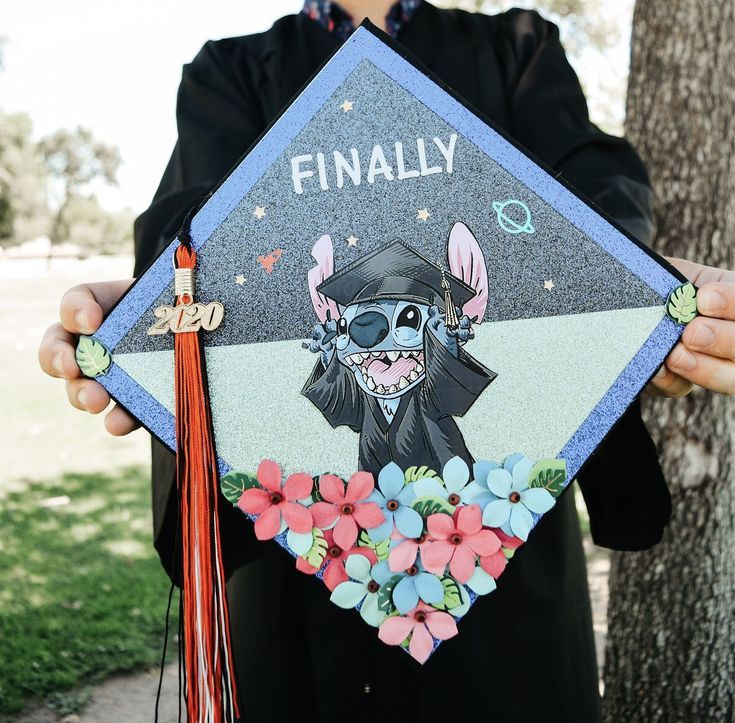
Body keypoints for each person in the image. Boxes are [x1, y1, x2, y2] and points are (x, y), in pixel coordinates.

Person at [37, 1, 735, 721]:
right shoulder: (233, 71)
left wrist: (627, 297)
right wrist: (150, 312)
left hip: (494, 541)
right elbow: (190, 235)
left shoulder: (515, 49)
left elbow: (594, 195)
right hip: (296, 540)